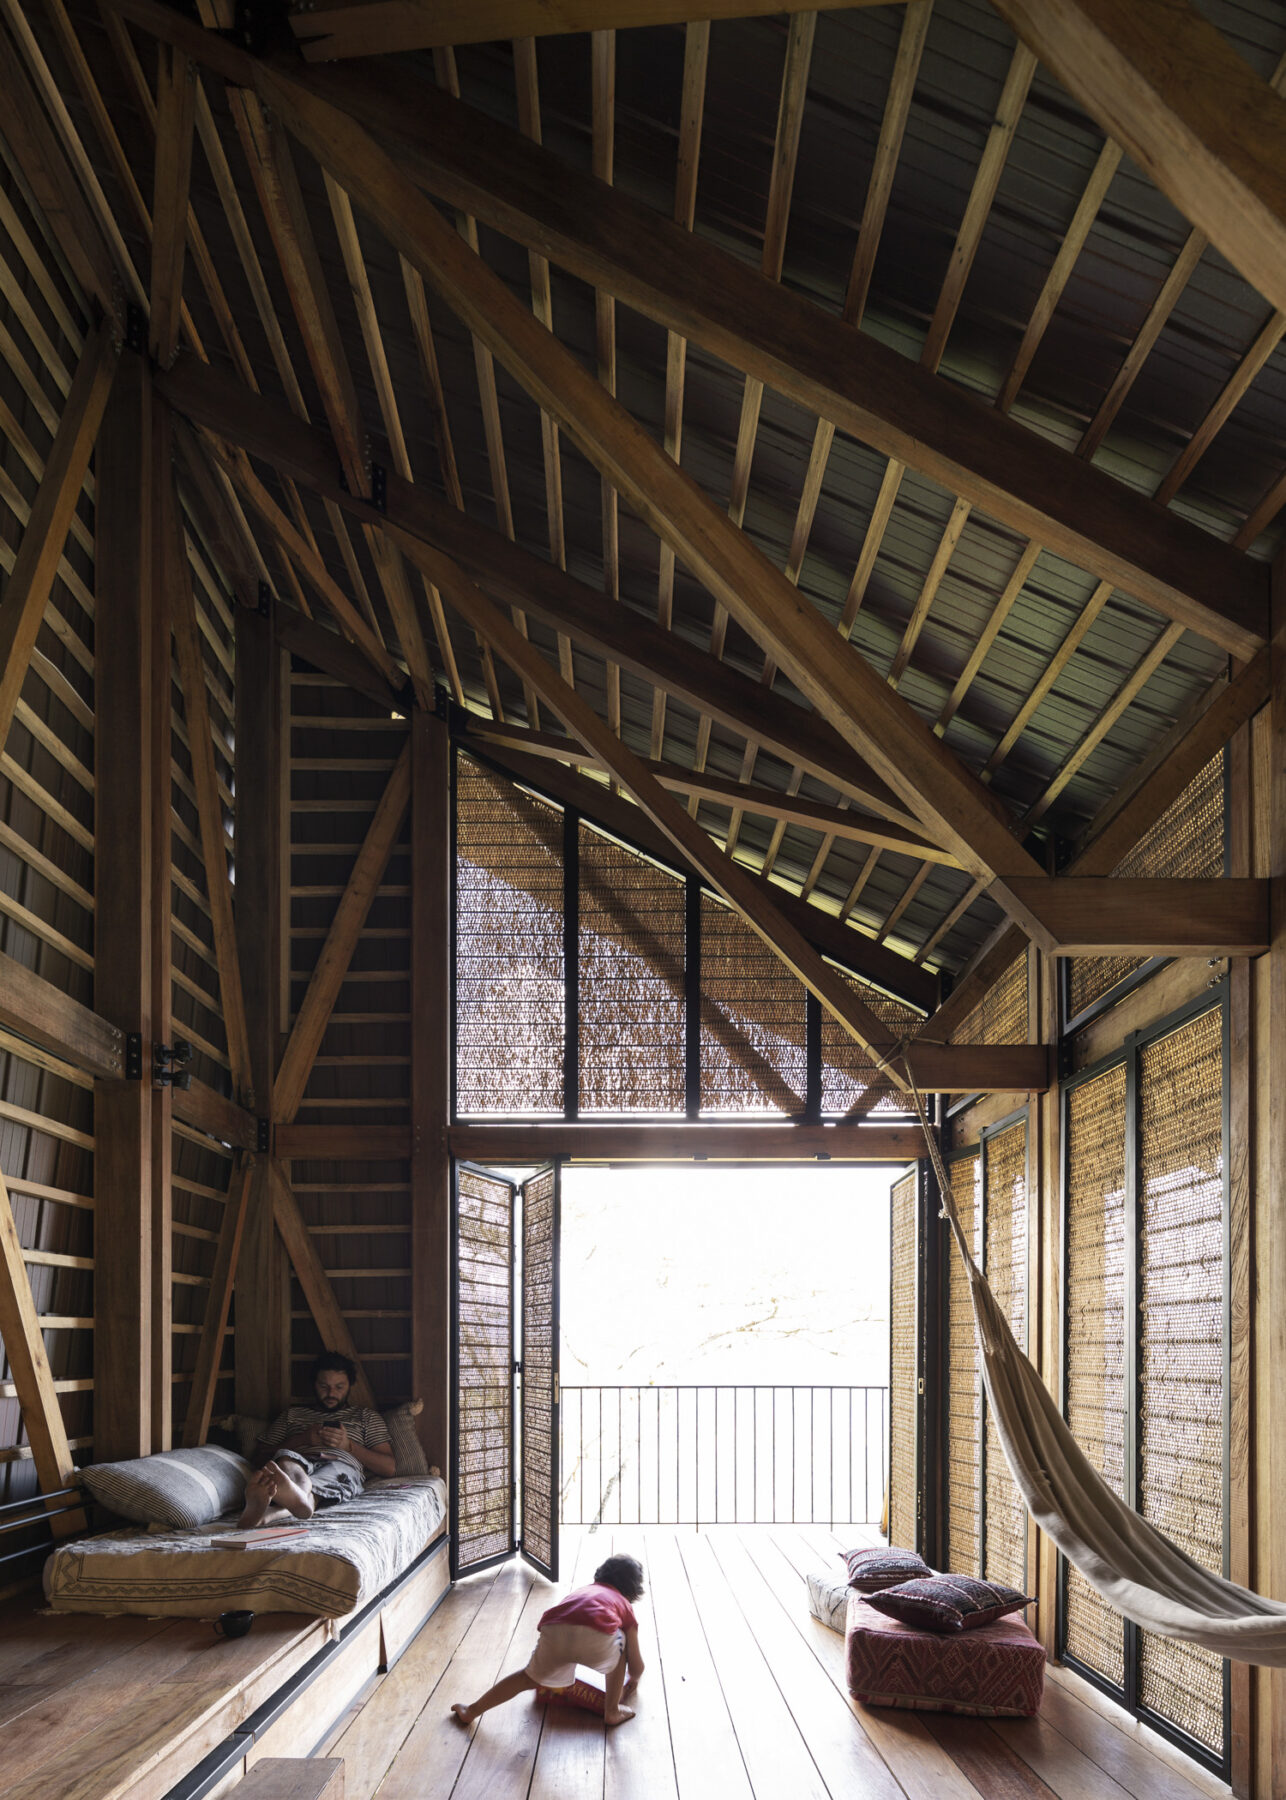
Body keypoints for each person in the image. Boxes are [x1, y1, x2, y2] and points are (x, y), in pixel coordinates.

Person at [451, 1554, 646, 1728]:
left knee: (525, 1678)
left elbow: (575, 1621)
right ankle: (612, 1711)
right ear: (632, 1591)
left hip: (554, 1630)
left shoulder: (584, 1591)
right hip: (598, 1640)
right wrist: (634, 1678)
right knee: (621, 1641)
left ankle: (472, 1711)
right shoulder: (623, 1605)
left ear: (599, 1575)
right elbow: (636, 1666)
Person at [237, 1351, 396, 1528]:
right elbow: (259, 1458)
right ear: (314, 1384)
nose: (331, 1393)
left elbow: (388, 1467)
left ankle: (270, 1512)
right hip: (297, 1460)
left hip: (340, 1463)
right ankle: (292, 1500)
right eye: (324, 1386)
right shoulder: (292, 1415)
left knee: (331, 1475)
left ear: (350, 1385)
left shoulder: (366, 1417)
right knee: (286, 1461)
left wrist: (349, 1446)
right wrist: (302, 1439)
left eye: (339, 1387)